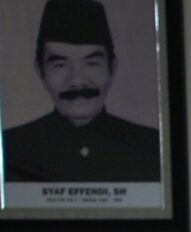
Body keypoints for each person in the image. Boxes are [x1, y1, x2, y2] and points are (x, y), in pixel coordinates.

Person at [1, 0, 161, 182]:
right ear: (40, 71)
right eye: (60, 65)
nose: (77, 80)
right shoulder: (10, 148)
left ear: (112, 67)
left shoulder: (152, 147)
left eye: (91, 63)